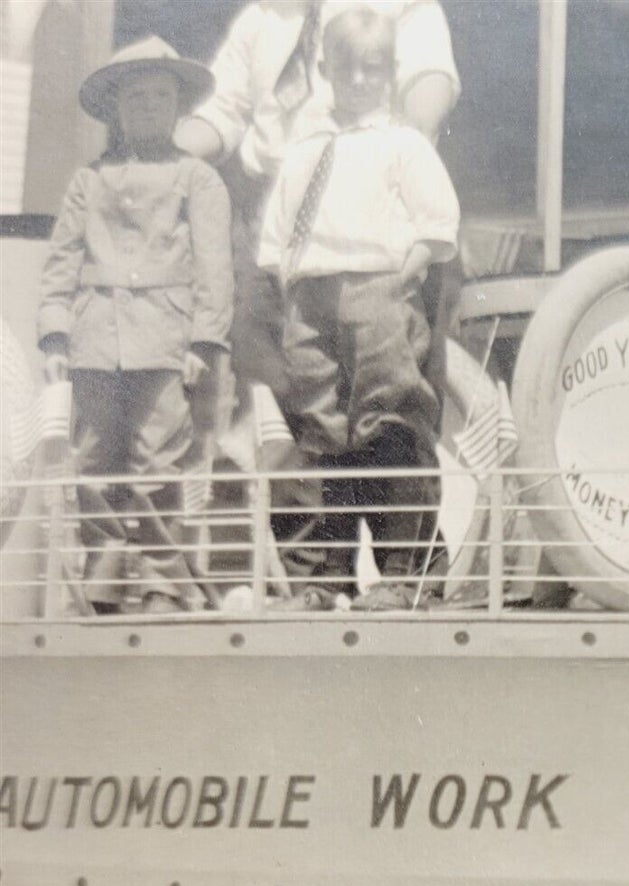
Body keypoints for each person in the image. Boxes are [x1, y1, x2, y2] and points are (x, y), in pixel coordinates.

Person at [256, 3, 459, 610]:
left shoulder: (403, 145)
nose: (362, 81)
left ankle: (407, 575)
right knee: (316, 435)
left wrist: (397, 276)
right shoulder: (305, 149)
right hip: (312, 302)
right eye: (349, 68)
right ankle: (321, 577)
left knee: (392, 425)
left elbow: (437, 222)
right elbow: (276, 235)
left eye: (375, 69)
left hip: (380, 295)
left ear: (391, 71)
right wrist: (295, 290)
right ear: (326, 68)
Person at [36, 37, 233, 614]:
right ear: (116, 108)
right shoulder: (87, 180)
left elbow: (214, 268)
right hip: (94, 340)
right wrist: (54, 334)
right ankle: (102, 577)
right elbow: (61, 263)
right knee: (94, 464)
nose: (147, 106)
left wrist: (204, 339)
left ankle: (163, 583)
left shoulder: (198, 179)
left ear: (178, 107)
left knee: (156, 464)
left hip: (164, 342)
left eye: (160, 95)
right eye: (135, 96)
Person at [174, 0, 459, 394]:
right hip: (274, 215)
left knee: (386, 382)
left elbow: (427, 80)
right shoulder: (262, 18)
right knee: (273, 379)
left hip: (368, 211)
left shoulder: (402, 6)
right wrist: (156, 156)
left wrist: (414, 133)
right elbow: (224, 110)